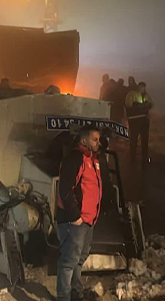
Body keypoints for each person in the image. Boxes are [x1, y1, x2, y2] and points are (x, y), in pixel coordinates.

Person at [55, 125, 103, 301]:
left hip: (88, 220)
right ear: (84, 140)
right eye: (95, 139)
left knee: (80, 259)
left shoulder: (93, 159)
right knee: (68, 262)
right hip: (75, 221)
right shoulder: (75, 159)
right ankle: (64, 297)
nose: (98, 143)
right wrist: (75, 216)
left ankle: (76, 292)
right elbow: (65, 189)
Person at [125, 81, 153, 164]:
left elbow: (150, 104)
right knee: (134, 139)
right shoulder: (131, 94)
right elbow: (128, 105)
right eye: (141, 87)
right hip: (134, 120)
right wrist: (142, 107)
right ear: (138, 86)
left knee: (145, 140)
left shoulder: (146, 95)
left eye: (144, 87)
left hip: (144, 121)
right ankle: (132, 157)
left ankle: (144, 158)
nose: (143, 89)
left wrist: (140, 106)